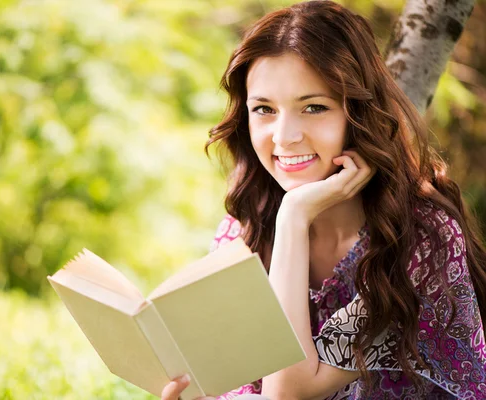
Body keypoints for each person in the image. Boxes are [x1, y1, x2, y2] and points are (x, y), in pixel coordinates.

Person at [161, 1, 486, 399]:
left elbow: (287, 393)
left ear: (359, 114)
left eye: (314, 107)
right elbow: (233, 384)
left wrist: (294, 217)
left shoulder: (419, 238)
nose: (284, 136)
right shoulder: (244, 228)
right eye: (264, 109)